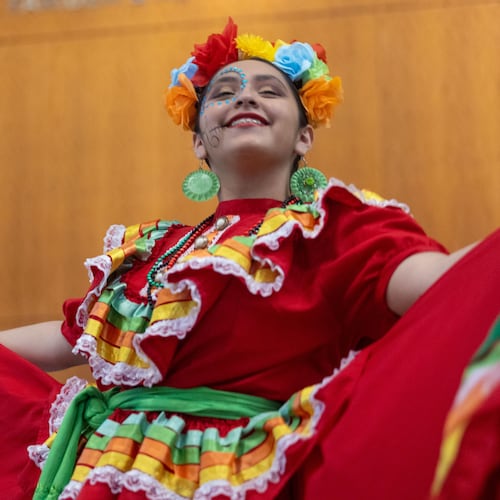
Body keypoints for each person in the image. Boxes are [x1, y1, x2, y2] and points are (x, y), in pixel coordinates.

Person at [1, 17, 498, 500]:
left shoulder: (335, 231)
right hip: (98, 471)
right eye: (223, 92)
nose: (244, 95)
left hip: (242, 477)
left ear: (304, 136)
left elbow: (446, 283)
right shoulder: (149, 249)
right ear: (200, 141)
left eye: (270, 90)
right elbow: (71, 337)